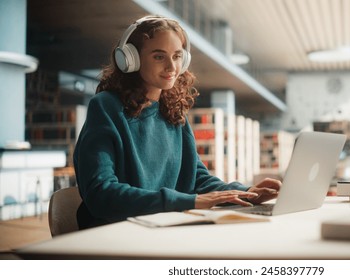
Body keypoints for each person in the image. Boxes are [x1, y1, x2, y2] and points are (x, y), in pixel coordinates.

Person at [73, 15, 281, 229]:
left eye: (177, 56)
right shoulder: (106, 107)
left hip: (161, 226)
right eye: (158, 57)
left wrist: (245, 193)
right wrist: (189, 201)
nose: (171, 66)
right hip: (115, 231)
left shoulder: (172, 112)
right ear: (130, 59)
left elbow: (197, 179)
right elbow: (101, 192)